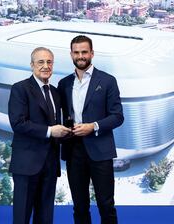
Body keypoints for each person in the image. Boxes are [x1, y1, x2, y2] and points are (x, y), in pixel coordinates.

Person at [58, 35, 124, 224]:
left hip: (100, 151)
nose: (81, 56)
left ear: (92, 53)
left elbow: (117, 116)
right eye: (76, 52)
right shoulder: (64, 84)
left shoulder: (108, 81)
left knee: (106, 204)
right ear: (71, 54)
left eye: (84, 52)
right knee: (79, 205)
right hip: (73, 151)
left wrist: (93, 127)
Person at [8, 47, 71, 224]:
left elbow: (57, 124)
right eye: (40, 62)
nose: (45, 66)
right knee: (22, 217)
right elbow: (18, 124)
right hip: (26, 164)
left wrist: (70, 132)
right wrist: (51, 131)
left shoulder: (56, 92)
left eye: (49, 62)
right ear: (32, 65)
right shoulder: (20, 89)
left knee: (45, 217)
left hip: (50, 164)